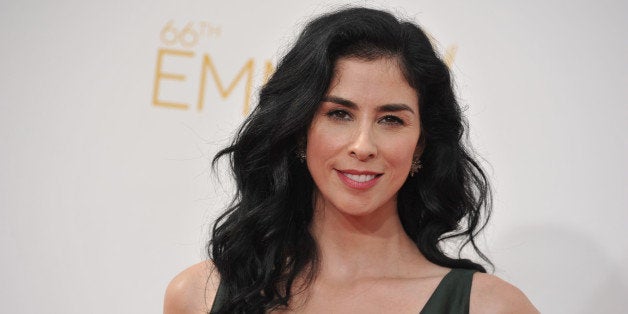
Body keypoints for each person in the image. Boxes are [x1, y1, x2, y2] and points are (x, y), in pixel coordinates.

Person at [164, 7, 538, 314]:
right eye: (339, 114)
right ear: (300, 130)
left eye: (391, 120)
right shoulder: (199, 296)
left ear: (420, 145)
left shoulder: (491, 307)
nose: (363, 146)